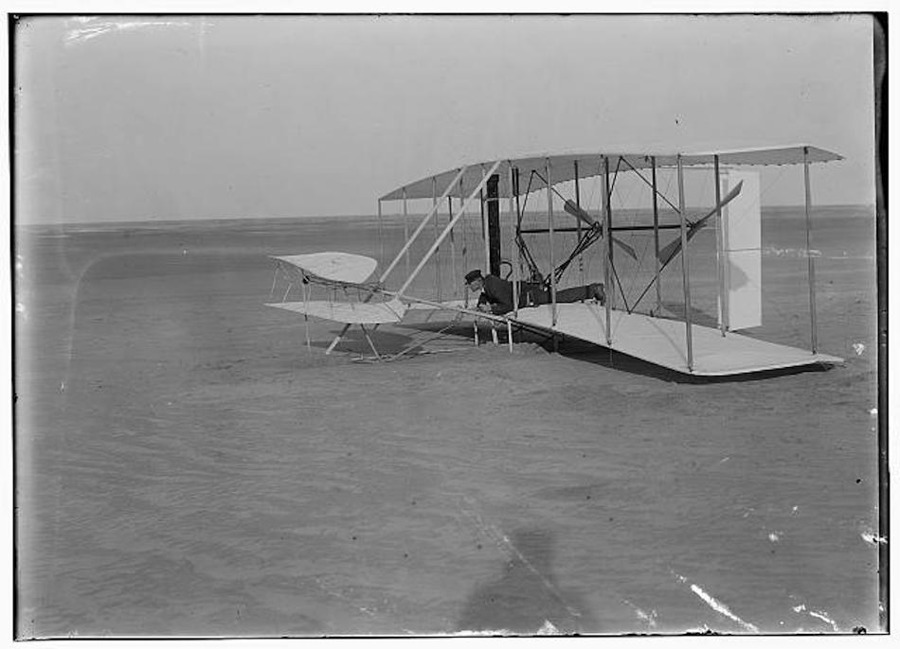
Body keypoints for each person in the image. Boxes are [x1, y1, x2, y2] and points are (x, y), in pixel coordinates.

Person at [464, 269, 605, 316]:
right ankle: (591, 290)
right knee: (560, 296)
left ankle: (592, 289)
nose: (469, 287)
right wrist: (482, 305)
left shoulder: (493, 286)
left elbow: (509, 305)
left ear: (477, 281)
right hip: (527, 291)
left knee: (561, 297)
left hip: (531, 295)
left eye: (470, 284)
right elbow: (484, 295)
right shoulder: (488, 283)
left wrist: (492, 308)